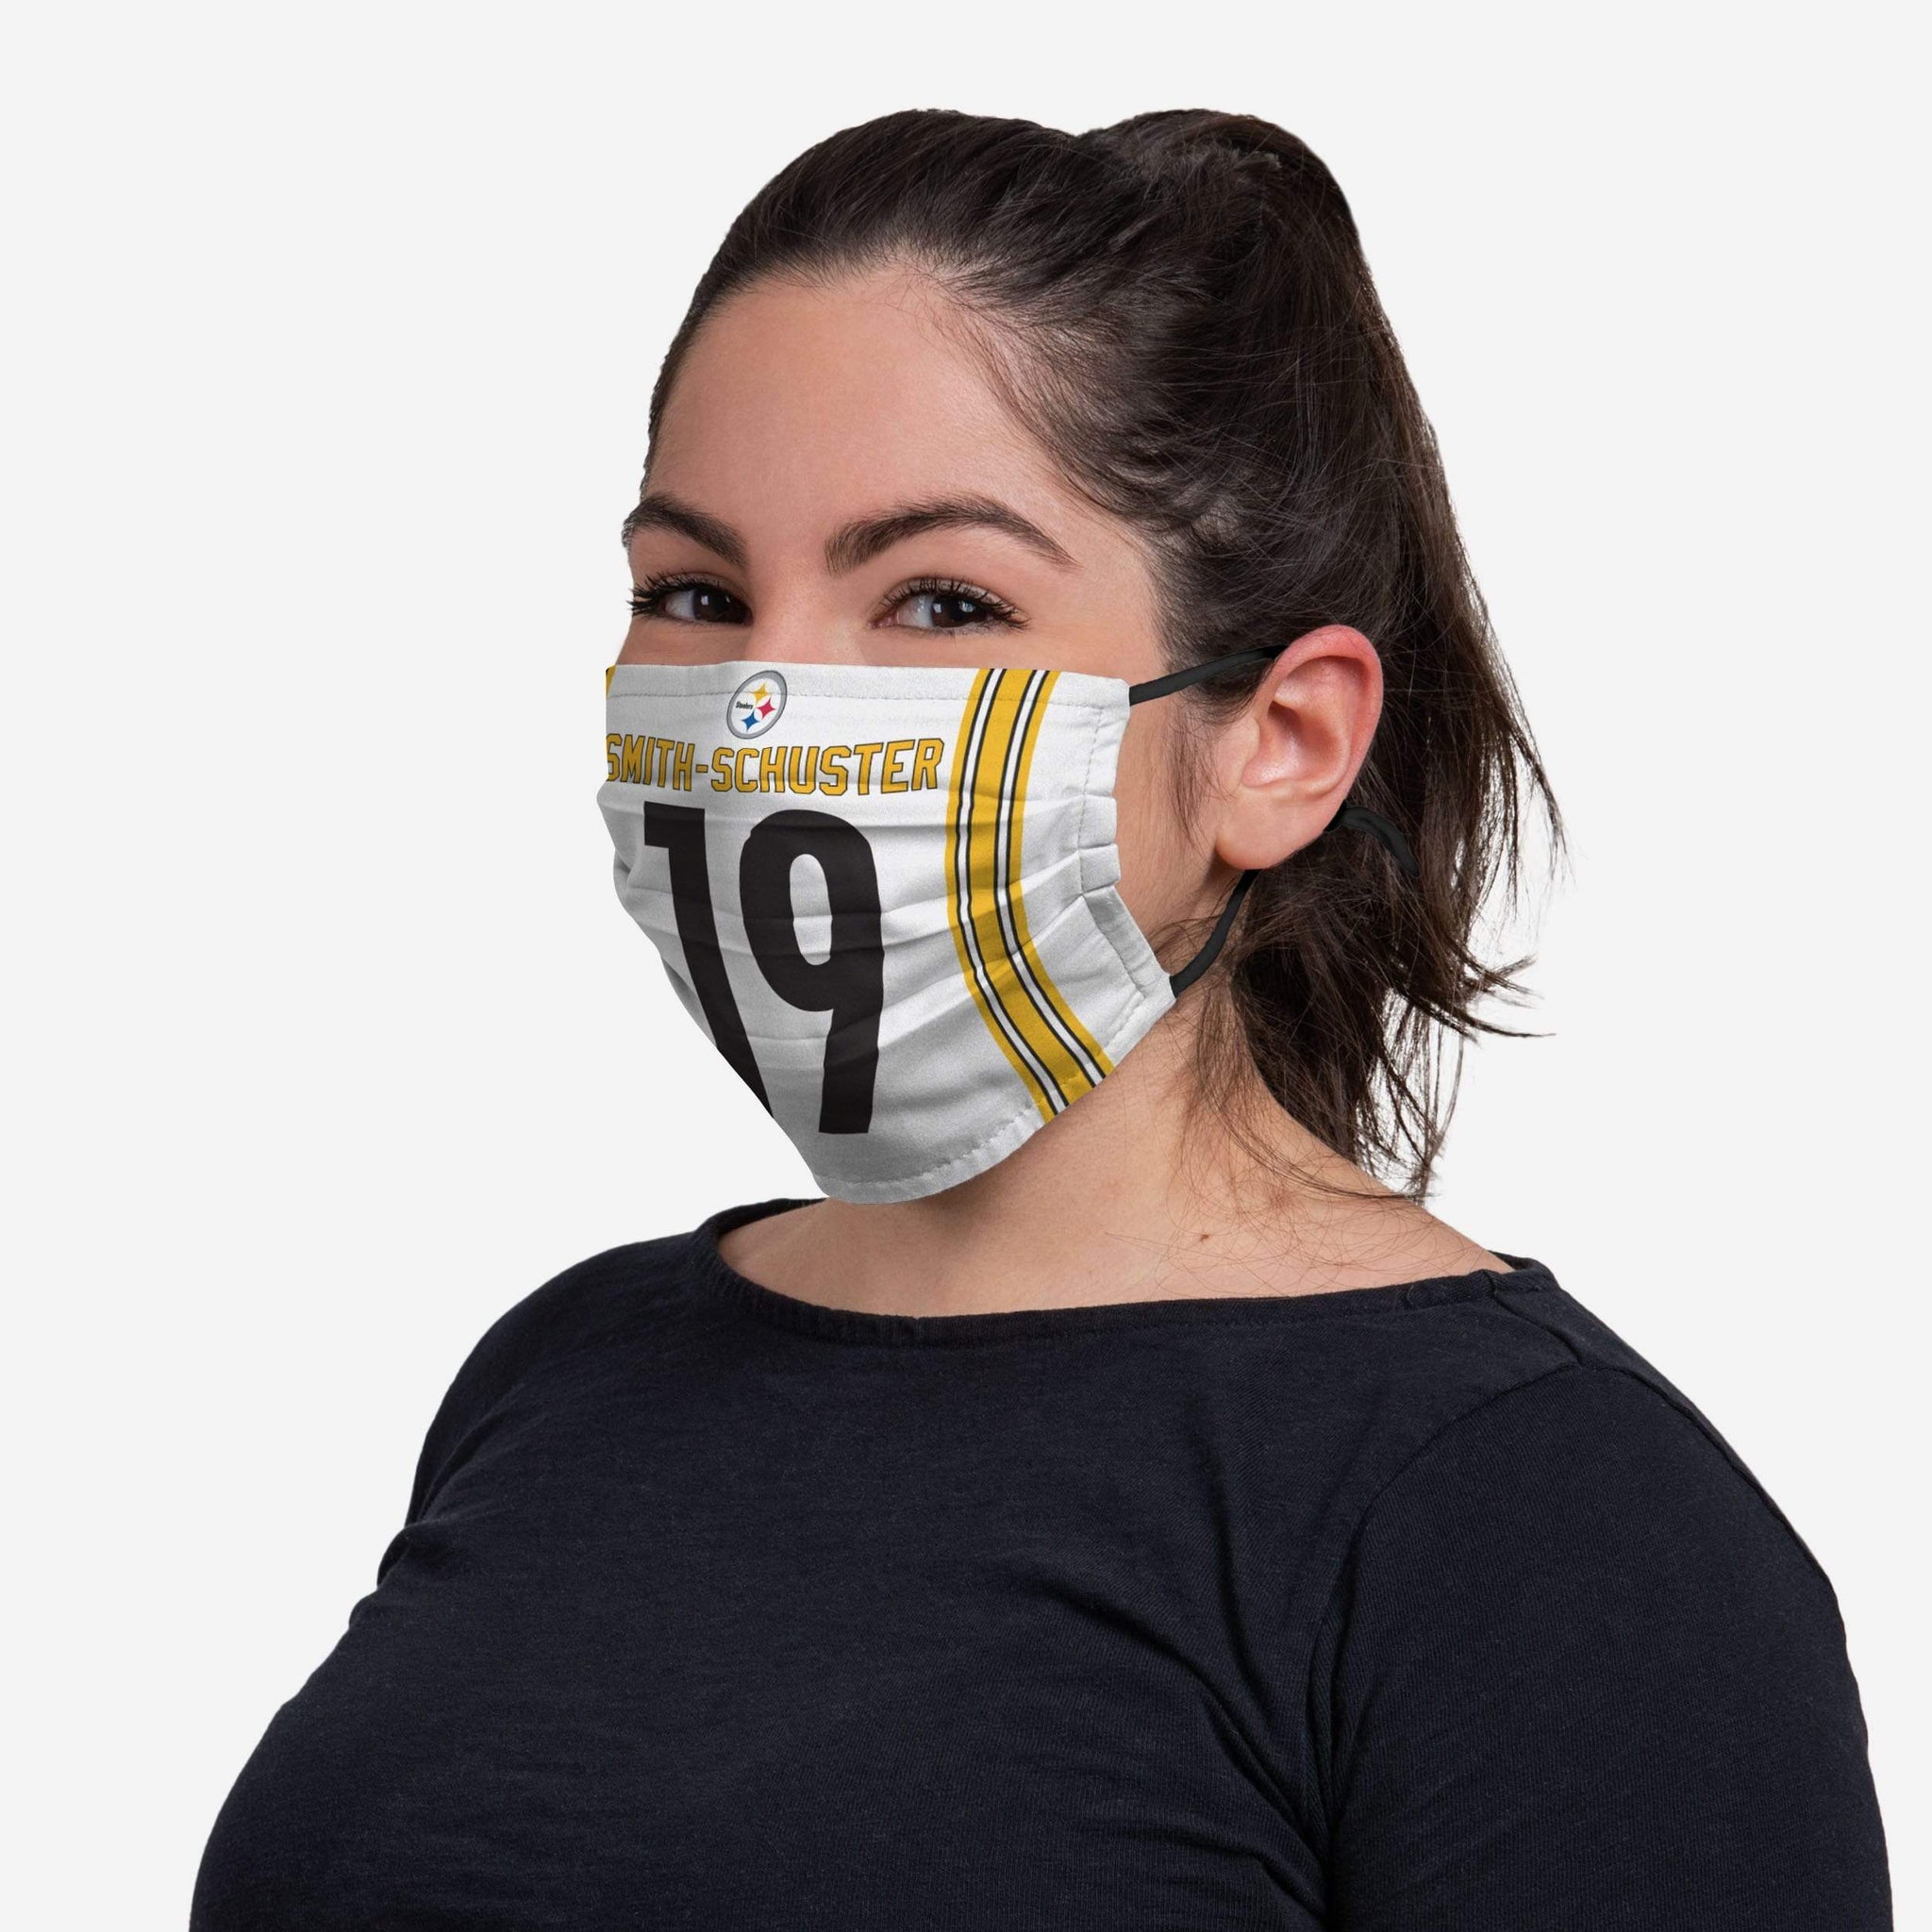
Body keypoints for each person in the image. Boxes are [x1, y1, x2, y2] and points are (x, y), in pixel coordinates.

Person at [190, 108, 1892, 1928]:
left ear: (1280, 740)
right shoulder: (567, 1370)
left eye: (941, 600)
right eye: (696, 591)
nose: (765, 702)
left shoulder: (1550, 1518)